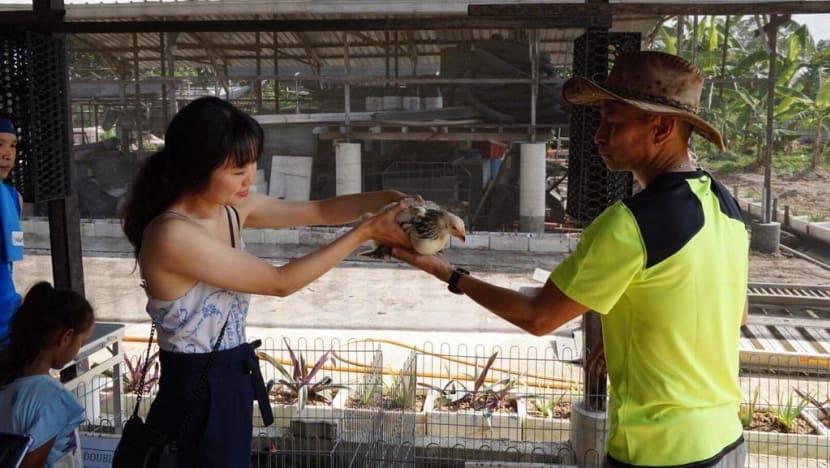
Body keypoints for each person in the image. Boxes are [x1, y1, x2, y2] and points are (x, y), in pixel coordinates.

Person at [393, 51, 749, 467]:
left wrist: (445, 272)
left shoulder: (631, 224)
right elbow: (731, 311)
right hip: (726, 440)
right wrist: (628, 346)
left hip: (662, 452)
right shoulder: (726, 205)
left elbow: (537, 317)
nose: (598, 136)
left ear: (662, 127)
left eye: (613, 123)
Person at [121, 95, 411, 467]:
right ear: (196, 167)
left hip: (231, 381)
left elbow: (320, 210)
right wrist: (365, 232)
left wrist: (390, 198)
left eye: (253, 163)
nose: (250, 177)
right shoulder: (171, 234)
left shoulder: (232, 210)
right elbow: (280, 282)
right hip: (195, 392)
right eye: (237, 168)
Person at [0, 281, 95, 468]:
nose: (77, 354)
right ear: (66, 337)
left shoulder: (6, 381)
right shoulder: (54, 399)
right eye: (81, 343)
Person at [0, 117, 24, 345]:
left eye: (13, 145)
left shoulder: (14, 199)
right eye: (0, 145)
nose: (7, 153)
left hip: (7, 324)